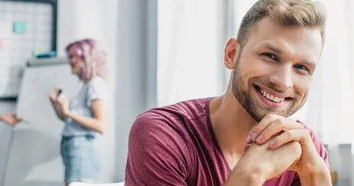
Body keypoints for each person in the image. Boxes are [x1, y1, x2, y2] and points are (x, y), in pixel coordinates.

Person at [125, 0, 331, 185]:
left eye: (302, 68)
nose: (283, 82)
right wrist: (251, 175)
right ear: (232, 54)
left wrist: (317, 175)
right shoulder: (165, 136)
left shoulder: (304, 147)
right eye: (270, 56)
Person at [48, 38, 108, 185]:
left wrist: (68, 112)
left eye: (72, 57)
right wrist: (59, 108)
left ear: (85, 58)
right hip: (75, 149)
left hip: (82, 151)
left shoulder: (95, 84)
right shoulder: (86, 85)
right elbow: (70, 120)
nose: (69, 61)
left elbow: (101, 126)